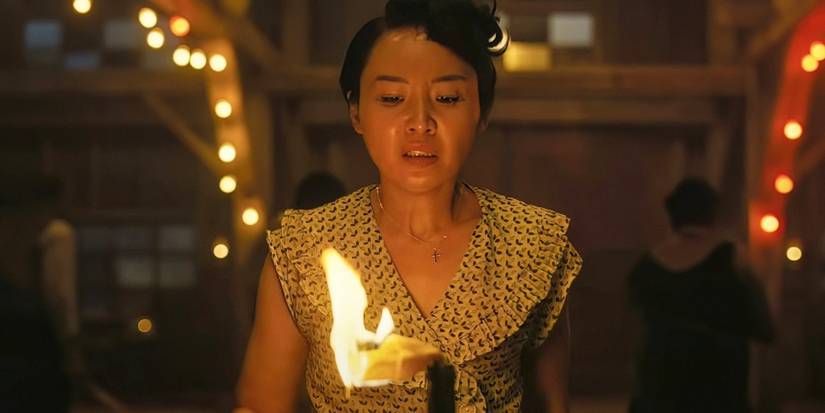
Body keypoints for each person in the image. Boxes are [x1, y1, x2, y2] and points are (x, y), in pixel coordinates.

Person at [236, 1, 583, 411]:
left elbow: (551, 404)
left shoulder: (533, 244)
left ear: (482, 112)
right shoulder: (303, 249)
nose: (420, 121)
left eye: (448, 97)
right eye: (391, 97)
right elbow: (261, 406)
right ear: (356, 111)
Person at [627, 178, 774, 413]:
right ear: (712, 214)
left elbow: (635, 330)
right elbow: (763, 325)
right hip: (719, 383)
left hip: (660, 382)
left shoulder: (648, 265)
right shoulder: (734, 259)